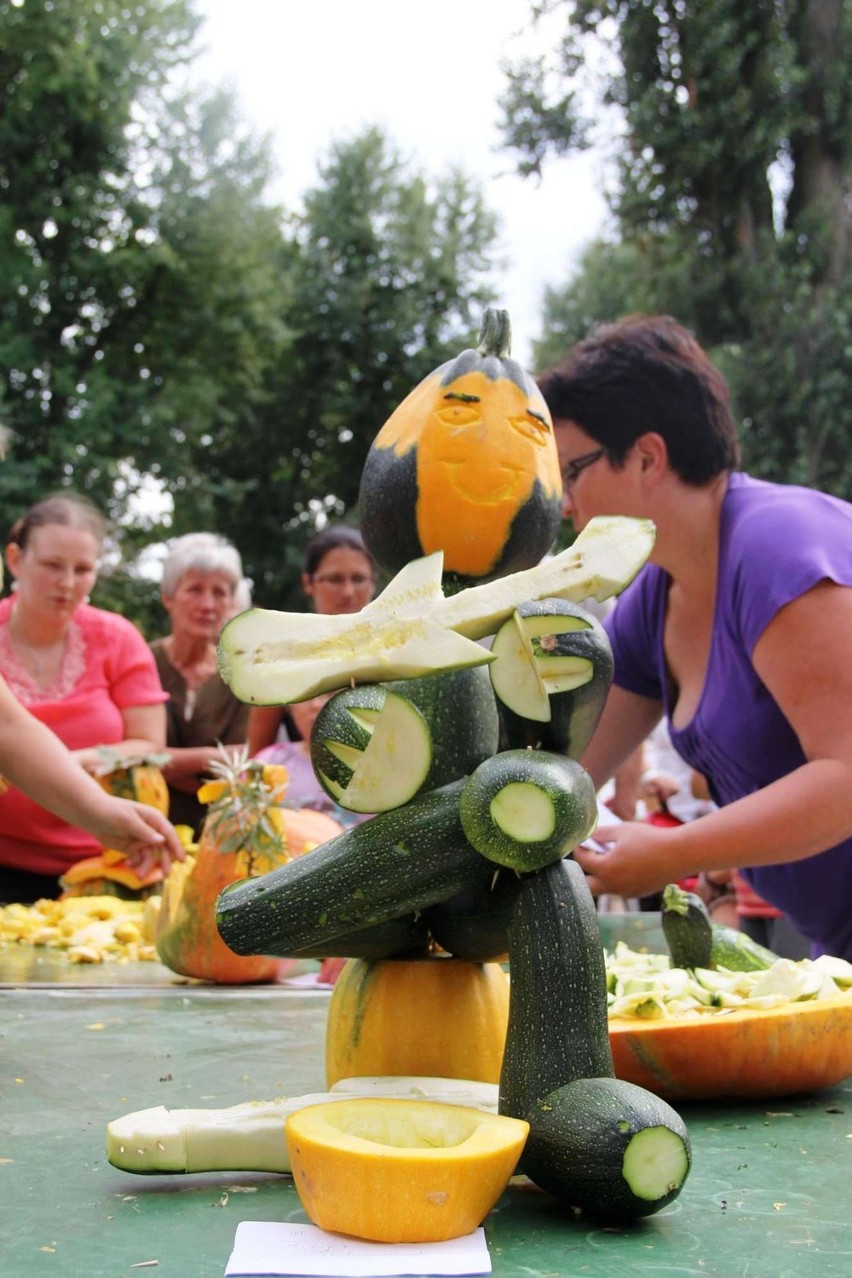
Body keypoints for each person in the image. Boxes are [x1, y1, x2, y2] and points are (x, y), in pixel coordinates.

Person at [539, 313, 852, 960]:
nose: (564, 504)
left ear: (648, 457)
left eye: (573, 471)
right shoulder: (652, 597)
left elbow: (847, 776)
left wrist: (675, 852)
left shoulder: (780, 547)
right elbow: (563, 777)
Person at [0, 493, 181, 901]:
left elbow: (151, 745)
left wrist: (79, 763)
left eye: (82, 569)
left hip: (107, 862)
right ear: (15, 559)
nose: (66, 582)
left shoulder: (118, 638)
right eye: (51, 566)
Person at [150, 533, 250, 836]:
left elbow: (251, 758)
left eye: (219, 593)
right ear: (168, 597)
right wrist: (213, 758)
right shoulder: (141, 662)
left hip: (224, 832)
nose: (207, 604)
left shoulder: (242, 674)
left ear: (231, 602)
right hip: (147, 825)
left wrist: (167, 763)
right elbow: (132, 755)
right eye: (194, 590)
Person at [247, 526, 378, 755]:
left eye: (358, 579)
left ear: (373, 583)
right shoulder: (282, 658)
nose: (348, 592)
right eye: (335, 579)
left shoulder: (395, 649)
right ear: (308, 583)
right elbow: (257, 762)